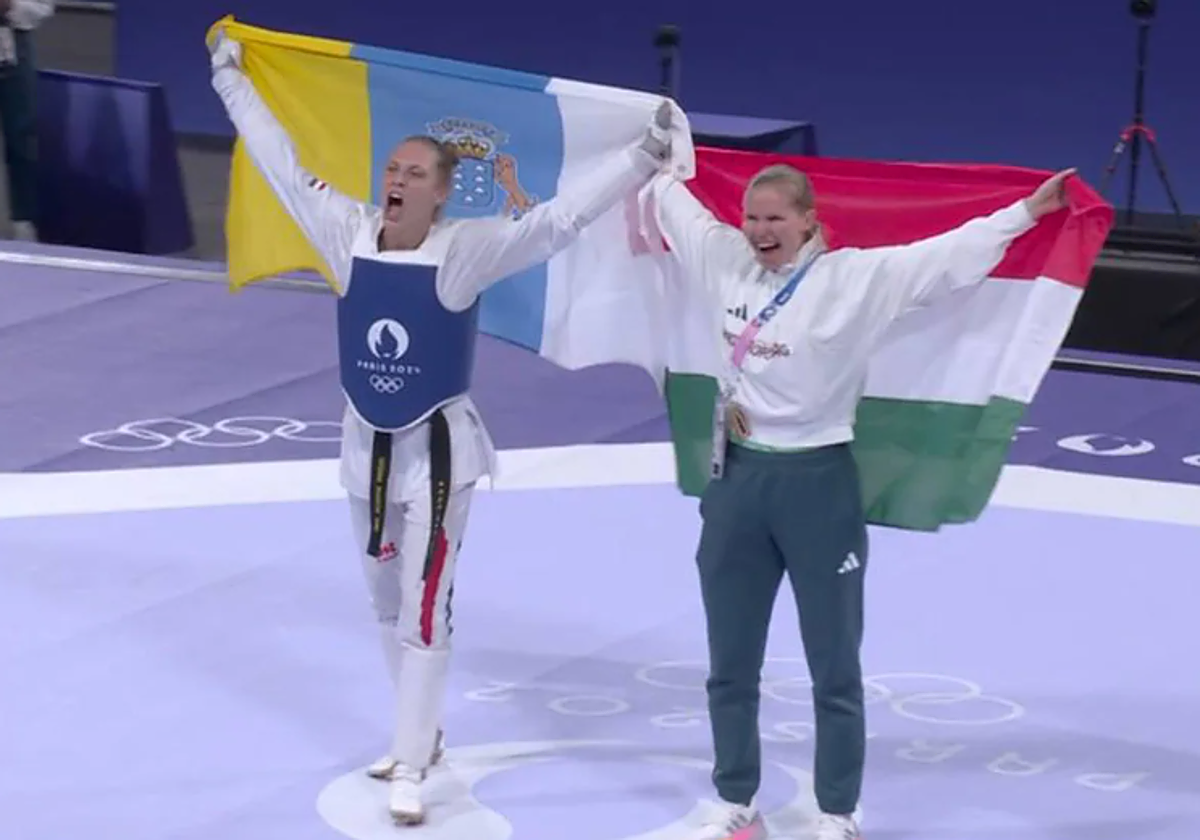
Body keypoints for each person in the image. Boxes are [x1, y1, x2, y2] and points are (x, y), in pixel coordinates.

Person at [208, 31, 677, 825]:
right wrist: (230, 80)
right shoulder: (343, 232)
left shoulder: (465, 253)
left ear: (443, 195)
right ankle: (419, 739)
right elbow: (278, 159)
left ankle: (410, 764)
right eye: (392, 169)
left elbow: (556, 223)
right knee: (383, 604)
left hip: (438, 458)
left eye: (415, 173)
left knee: (424, 610)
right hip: (362, 451)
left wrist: (641, 157)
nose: (396, 180)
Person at [646, 162, 1074, 840]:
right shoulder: (724, 259)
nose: (759, 230)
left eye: (775, 218)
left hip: (818, 487)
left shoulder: (854, 280)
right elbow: (675, 205)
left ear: (808, 221)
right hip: (738, 484)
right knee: (730, 661)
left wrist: (1025, 213)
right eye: (752, 217)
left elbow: (943, 258)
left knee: (833, 665)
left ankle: (837, 812)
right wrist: (652, 148)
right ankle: (735, 802)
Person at [0, 0, 54, 241]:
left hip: (13, 43)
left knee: (21, 136)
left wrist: (10, 6)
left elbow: (43, 6)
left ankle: (24, 221)